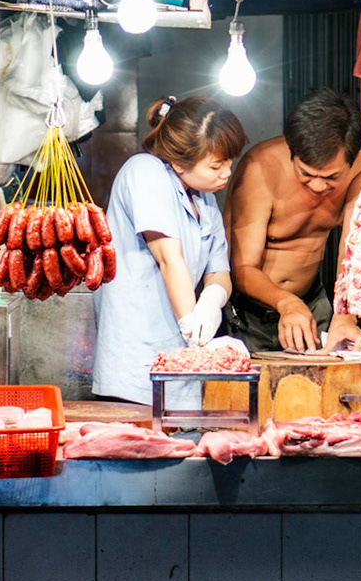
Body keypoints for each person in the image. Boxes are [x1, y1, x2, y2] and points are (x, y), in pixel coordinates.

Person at [91, 95, 248, 403]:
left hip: (183, 369)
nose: (226, 173)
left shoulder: (205, 199)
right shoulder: (144, 172)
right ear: (179, 163)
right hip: (135, 369)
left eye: (229, 162)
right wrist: (192, 324)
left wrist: (211, 301)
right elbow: (168, 257)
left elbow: (219, 272)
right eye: (216, 165)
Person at [225, 87, 361, 352]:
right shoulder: (260, 167)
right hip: (250, 316)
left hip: (315, 307)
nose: (316, 186)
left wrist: (345, 317)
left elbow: (355, 246)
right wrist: (287, 303)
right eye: (306, 173)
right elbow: (242, 267)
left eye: (331, 178)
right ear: (292, 149)